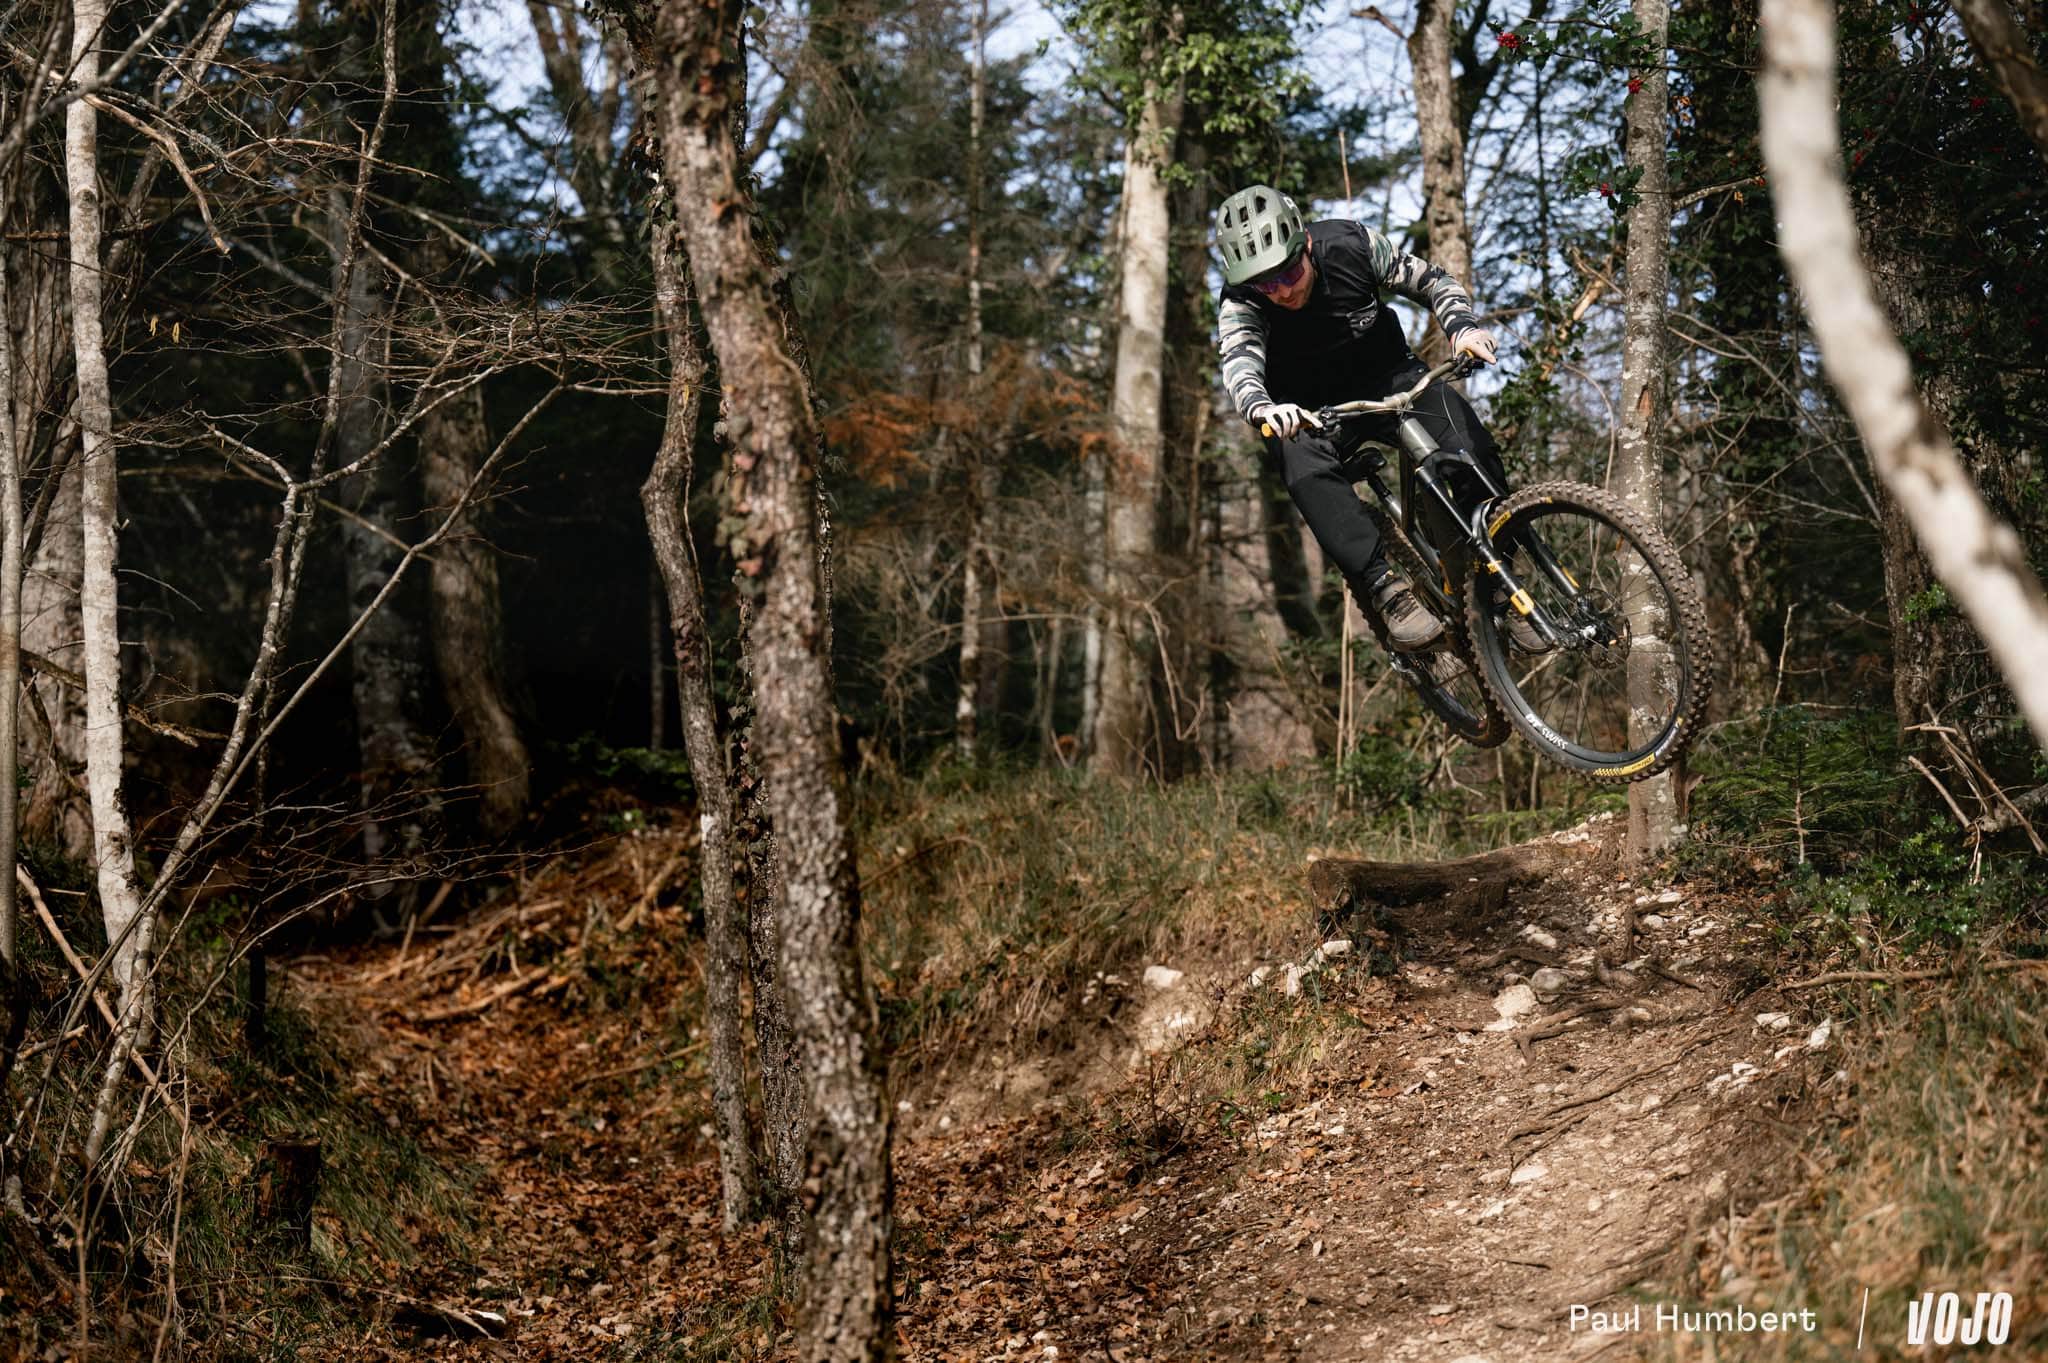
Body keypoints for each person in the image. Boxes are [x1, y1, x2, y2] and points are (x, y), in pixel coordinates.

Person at [1213, 183, 1513, 652]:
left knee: (1471, 447)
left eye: (1289, 271)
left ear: (1306, 244)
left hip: (1389, 378)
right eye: (1266, 283)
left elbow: (1433, 281)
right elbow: (1239, 364)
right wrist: (1264, 407)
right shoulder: (1242, 301)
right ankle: (1385, 589)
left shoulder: (1352, 245)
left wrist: (1463, 329)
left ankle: (1502, 580)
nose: (1283, 289)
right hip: (1308, 412)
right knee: (1298, 461)